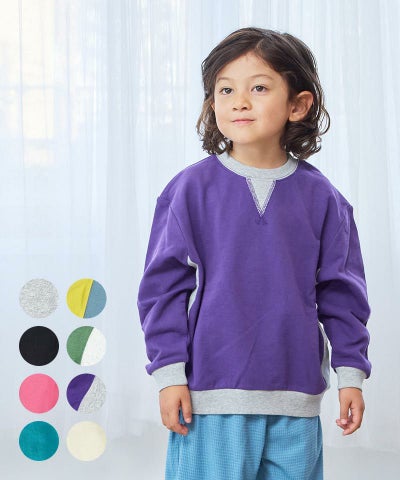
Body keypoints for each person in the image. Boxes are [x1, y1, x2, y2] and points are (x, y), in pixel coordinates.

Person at [136, 27, 371, 480]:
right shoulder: (189, 191)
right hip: (211, 396)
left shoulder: (324, 199)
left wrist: (351, 376)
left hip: (297, 398)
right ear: (212, 103)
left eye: (259, 88)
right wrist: (169, 375)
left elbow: (342, 296)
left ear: (298, 105)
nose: (239, 102)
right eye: (225, 90)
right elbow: (161, 291)